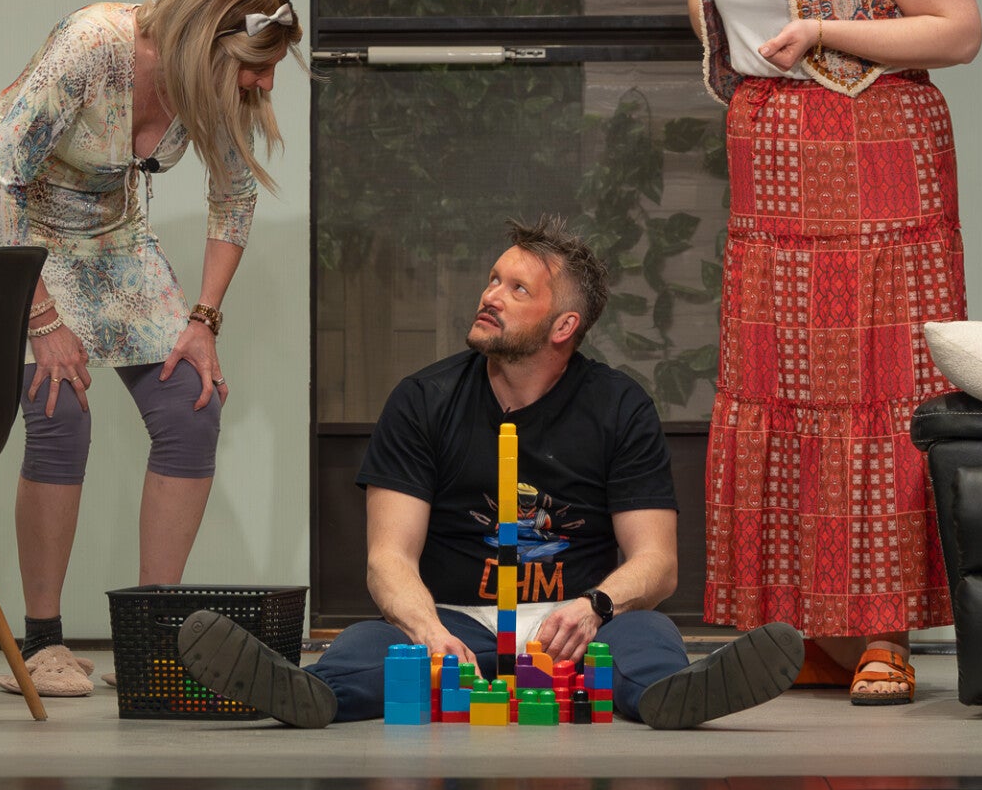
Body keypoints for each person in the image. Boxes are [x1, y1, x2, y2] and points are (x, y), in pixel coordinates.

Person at [174, 217, 804, 729]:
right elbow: (388, 557)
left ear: (564, 326)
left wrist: (595, 606)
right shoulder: (423, 400)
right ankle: (309, 695)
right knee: (368, 649)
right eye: (494, 279)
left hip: (575, 627)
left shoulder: (619, 407)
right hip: (455, 621)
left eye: (517, 290)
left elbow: (658, 563)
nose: (490, 295)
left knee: (648, 637)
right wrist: (428, 631)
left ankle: (677, 696)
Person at [687, 0, 981, 706]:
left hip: (871, 165)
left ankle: (883, 630)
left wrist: (824, 29)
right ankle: (812, 627)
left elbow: (955, 30)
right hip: (774, 183)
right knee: (784, 388)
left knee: (872, 388)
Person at [0, 0, 300, 698]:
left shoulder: (213, 86)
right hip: (7, 215)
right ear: (207, 41)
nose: (266, 84)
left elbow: (234, 197)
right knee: (59, 406)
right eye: (257, 66)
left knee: (191, 403)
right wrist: (42, 317)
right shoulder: (94, 44)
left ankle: (151, 634)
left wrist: (203, 319)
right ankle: (43, 642)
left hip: (107, 227)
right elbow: (0, 176)